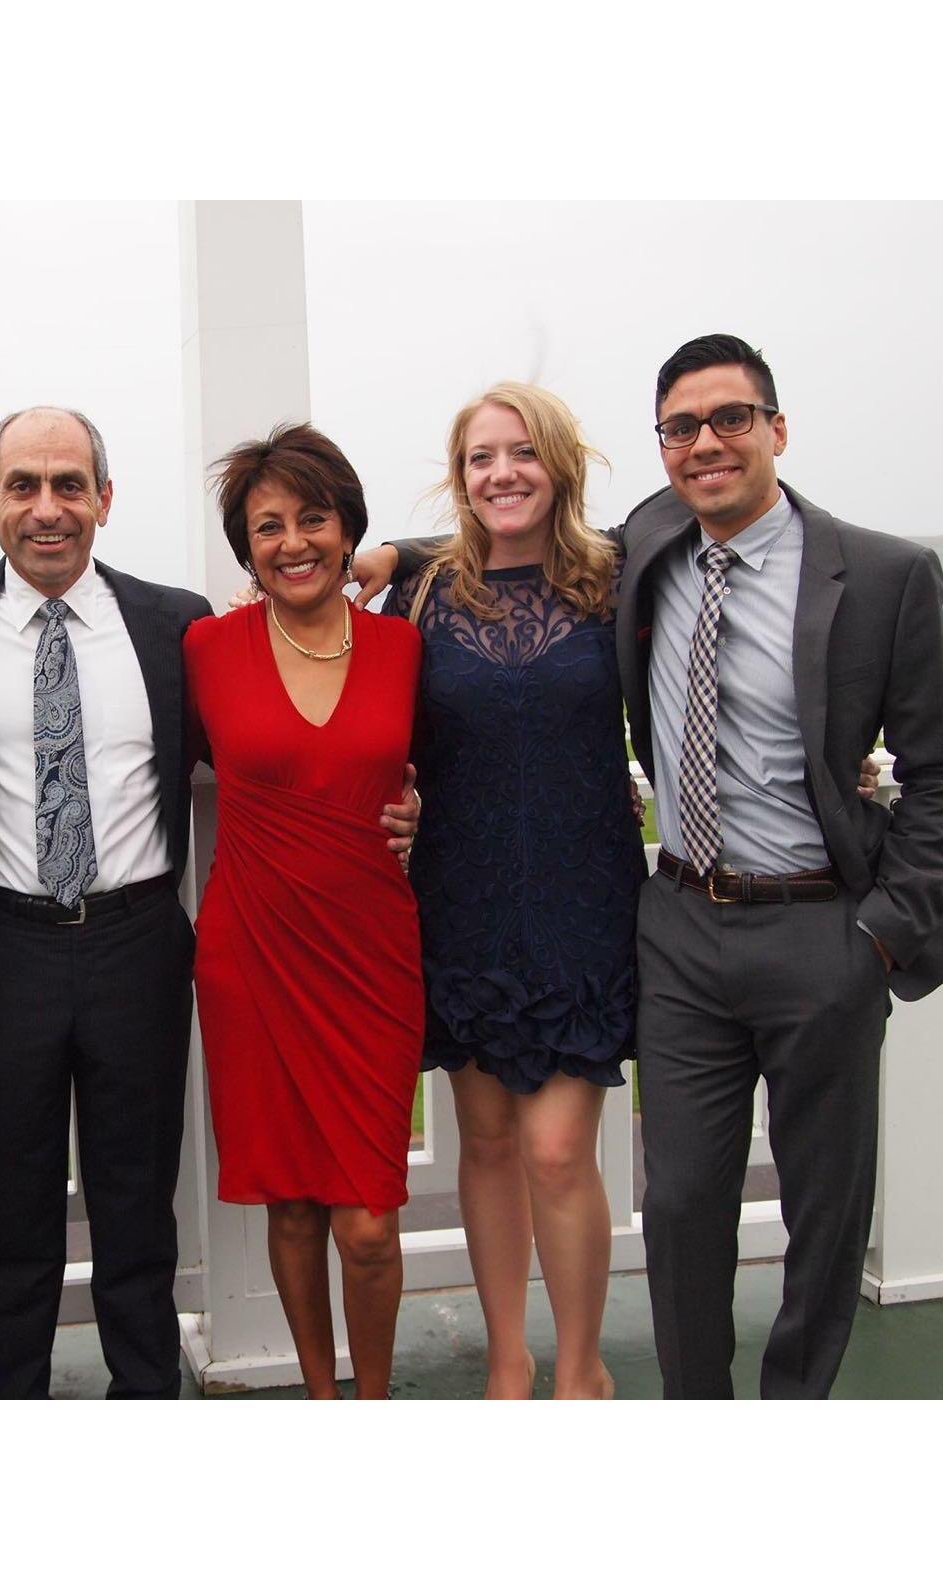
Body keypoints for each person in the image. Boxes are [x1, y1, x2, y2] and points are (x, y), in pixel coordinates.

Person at [618, 334, 943, 1398]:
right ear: (662, 446)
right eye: (681, 427)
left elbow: (937, 773)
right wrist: (398, 558)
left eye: (731, 419)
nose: (706, 443)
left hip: (822, 930)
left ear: (776, 429)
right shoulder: (650, 541)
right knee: (678, 1205)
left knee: (825, 1210)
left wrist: (882, 932)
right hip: (681, 928)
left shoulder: (885, 575)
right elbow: (525, 536)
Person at [0, 407, 211, 1399]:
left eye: (69, 484)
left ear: (104, 500)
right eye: (23, 485)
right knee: (11, 1215)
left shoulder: (175, 622)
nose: (47, 508)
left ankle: (145, 1398)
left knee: (137, 1206)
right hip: (1, 952)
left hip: (137, 946)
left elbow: (266, 735)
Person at [374, 385, 641, 1400]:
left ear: (559, 463)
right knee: (485, 1144)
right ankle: (506, 1362)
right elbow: (379, 726)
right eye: (480, 458)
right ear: (460, 476)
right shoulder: (421, 593)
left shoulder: (617, 580)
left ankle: (581, 1371)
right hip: (463, 901)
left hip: (582, 903)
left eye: (521, 452)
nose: (501, 474)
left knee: (558, 1149)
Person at [188, 423, 424, 1399]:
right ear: (246, 548)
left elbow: (453, 766)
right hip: (251, 955)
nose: (293, 542)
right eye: (268, 526)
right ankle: (322, 1399)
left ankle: (373, 1400)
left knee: (367, 1223)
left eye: (313, 518)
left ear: (348, 528)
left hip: (370, 960)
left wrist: (423, 806)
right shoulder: (207, 648)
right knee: (289, 1203)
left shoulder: (405, 647)